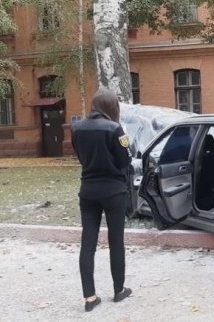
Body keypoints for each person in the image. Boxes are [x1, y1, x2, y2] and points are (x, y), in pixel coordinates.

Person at [72, 88, 133, 312]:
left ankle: (89, 297)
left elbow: (80, 156)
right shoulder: (115, 128)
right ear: (112, 107)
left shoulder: (77, 128)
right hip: (114, 191)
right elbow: (125, 160)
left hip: (87, 190)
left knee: (87, 243)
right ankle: (119, 290)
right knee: (116, 241)